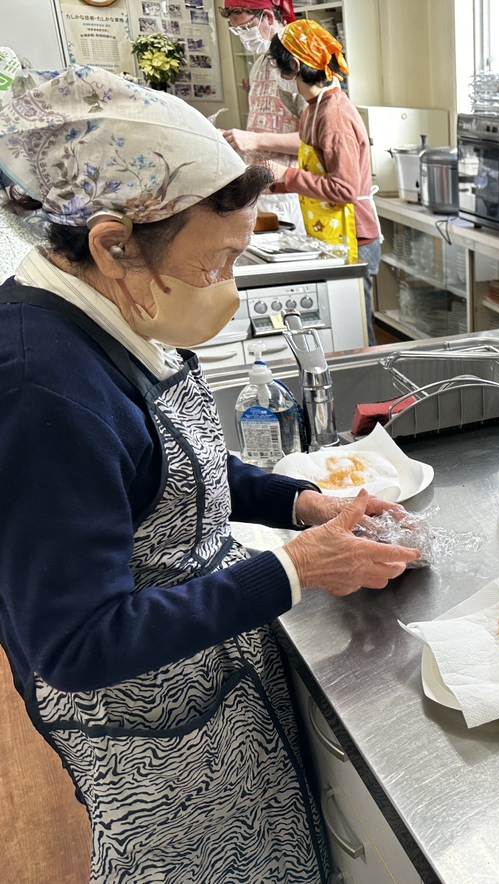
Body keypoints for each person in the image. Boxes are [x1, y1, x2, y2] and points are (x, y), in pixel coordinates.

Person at [0, 66, 418, 883]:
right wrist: (294, 571)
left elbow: (170, 460)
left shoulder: (111, 313)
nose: (228, 290)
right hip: (143, 721)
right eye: (216, 264)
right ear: (113, 243)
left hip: (204, 673)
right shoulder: (39, 388)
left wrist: (298, 502)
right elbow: (78, 645)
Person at [266, 19, 380, 346]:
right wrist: (273, 183)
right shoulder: (315, 107)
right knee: (343, 332)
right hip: (334, 233)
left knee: (356, 336)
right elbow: (315, 168)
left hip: (355, 238)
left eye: (281, 68)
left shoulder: (334, 116)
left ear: (296, 64)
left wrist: (285, 176)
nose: (280, 77)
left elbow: (344, 189)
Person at [218, 0, 306, 232]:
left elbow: (316, 142)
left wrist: (255, 140)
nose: (243, 36)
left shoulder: (299, 66)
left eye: (246, 28)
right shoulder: (261, 64)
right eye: (236, 30)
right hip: (262, 192)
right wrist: (236, 140)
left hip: (293, 196)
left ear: (268, 17)